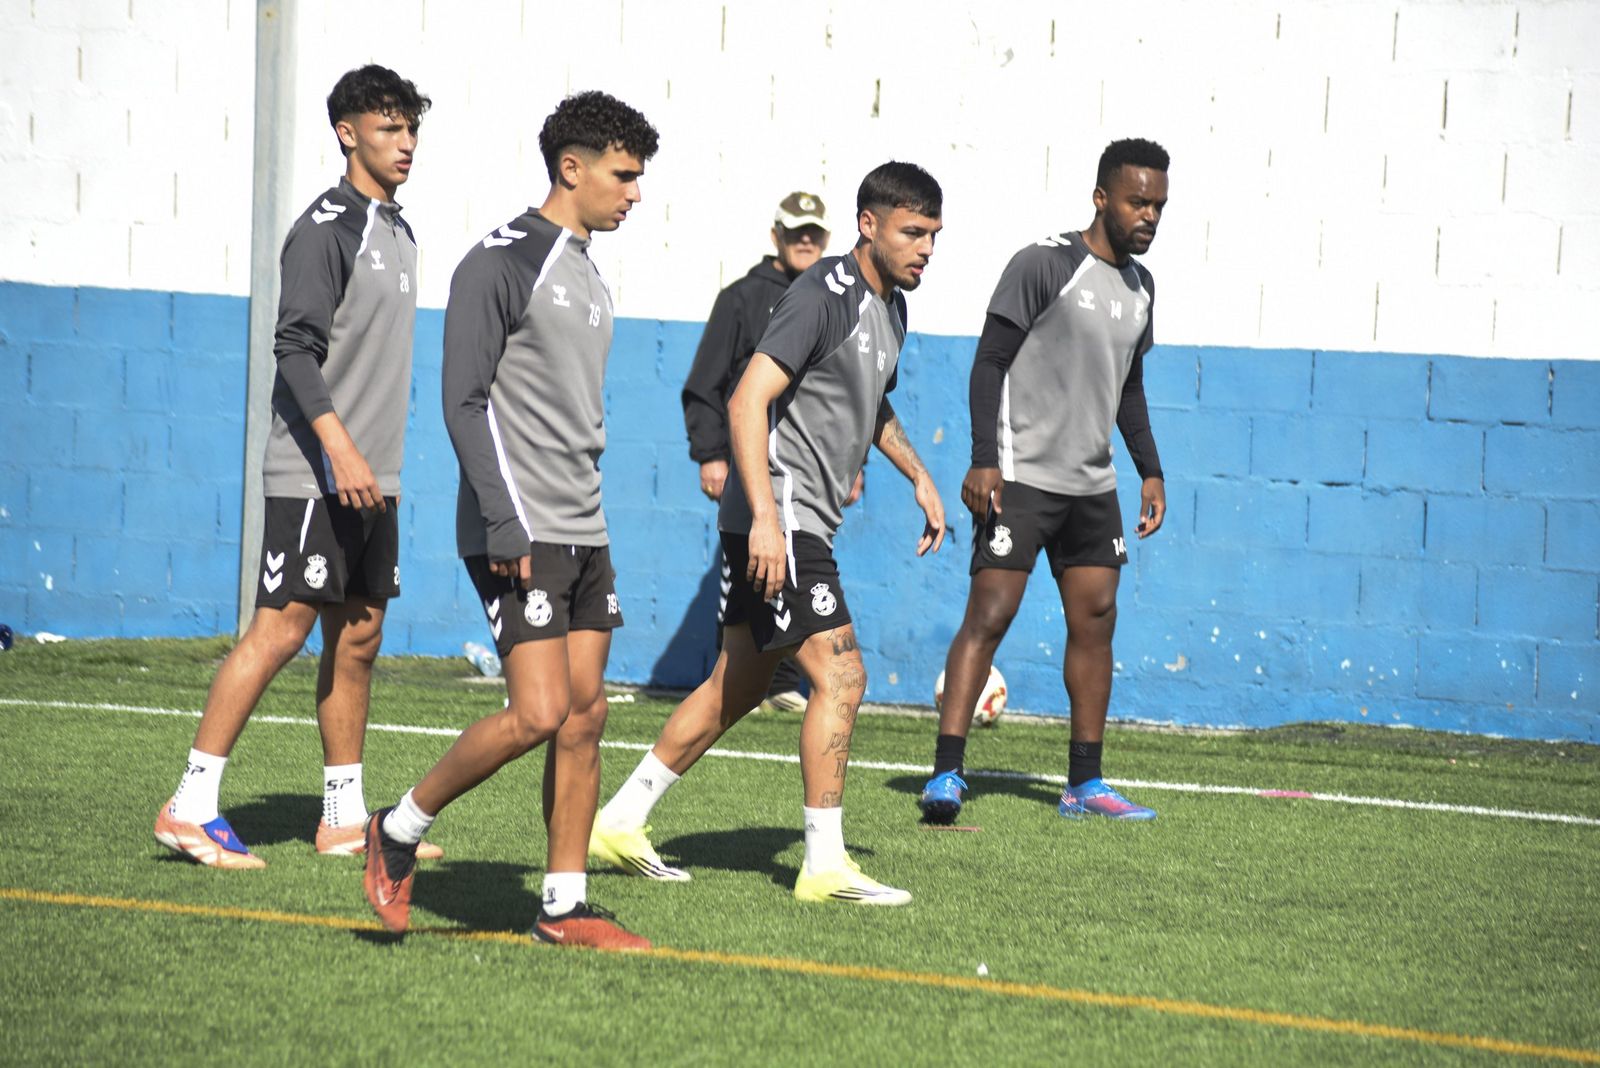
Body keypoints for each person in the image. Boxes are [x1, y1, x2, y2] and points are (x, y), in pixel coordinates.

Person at [590, 162, 946, 905]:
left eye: (934, 236)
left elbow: (871, 405)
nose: (925, 249)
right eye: (913, 232)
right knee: (842, 677)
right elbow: (748, 397)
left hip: (794, 520)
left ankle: (620, 821)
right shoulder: (822, 295)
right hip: (781, 518)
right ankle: (824, 866)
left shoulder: (893, 310)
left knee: (740, 683)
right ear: (869, 225)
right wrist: (766, 521)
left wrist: (917, 473)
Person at [361, 91, 659, 950]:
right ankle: (399, 828)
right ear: (572, 167)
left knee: (586, 714)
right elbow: (463, 400)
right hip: (518, 527)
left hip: (584, 527)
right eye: (623, 175)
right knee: (537, 712)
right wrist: (504, 520)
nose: (634, 193)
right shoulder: (501, 260)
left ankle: (563, 907)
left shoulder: (585, 265)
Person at [153, 65, 436, 868]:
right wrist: (338, 448)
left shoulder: (399, 228)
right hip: (316, 473)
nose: (405, 142)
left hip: (372, 477)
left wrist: (371, 462)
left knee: (360, 635)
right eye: (389, 128)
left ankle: (344, 817)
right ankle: (189, 805)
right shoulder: (326, 227)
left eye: (411, 127)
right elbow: (294, 348)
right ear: (348, 133)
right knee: (282, 629)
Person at [919, 138, 1170, 825]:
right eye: (1137, 201)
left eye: (1158, 205)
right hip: (1022, 477)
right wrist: (982, 457)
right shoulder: (1045, 263)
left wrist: (1149, 468)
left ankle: (1084, 784)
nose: (1148, 215)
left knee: (1095, 623)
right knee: (990, 615)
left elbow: (1130, 387)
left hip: (1094, 488)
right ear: (1101, 198)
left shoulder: (1142, 288)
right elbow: (989, 361)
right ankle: (946, 773)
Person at [681, 191, 859, 713]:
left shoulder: (834, 298)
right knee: (747, 568)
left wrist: (856, 465)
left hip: (806, 476)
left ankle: (774, 679)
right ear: (776, 235)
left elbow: (847, 394)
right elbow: (707, 383)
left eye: (815, 233)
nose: (807, 241)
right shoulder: (741, 298)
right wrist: (710, 453)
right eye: (796, 231)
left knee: (789, 572)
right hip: (748, 461)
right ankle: (740, 673)